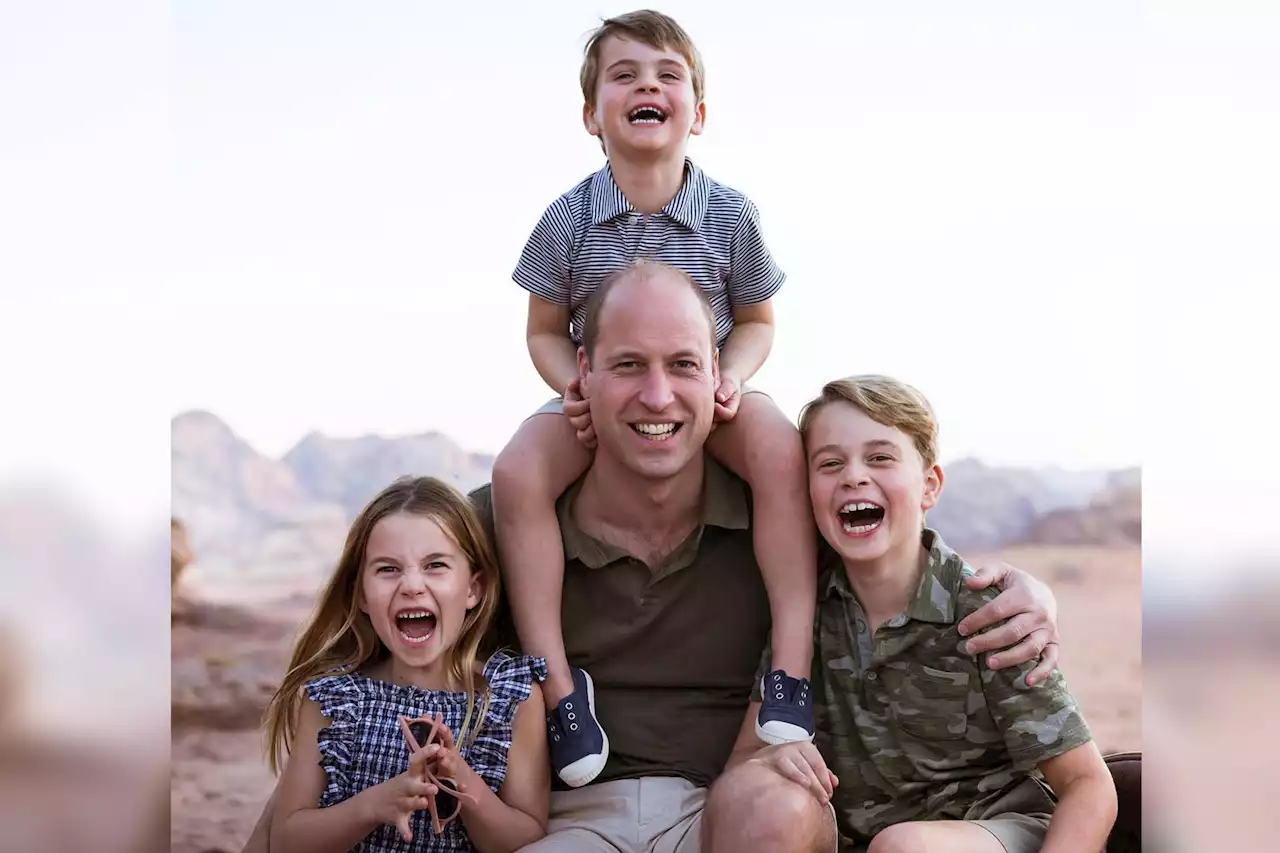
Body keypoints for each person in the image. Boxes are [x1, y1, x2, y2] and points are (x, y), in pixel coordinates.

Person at [240, 261, 1063, 853]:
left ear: (719, 382)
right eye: (628, 365)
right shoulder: (502, 529)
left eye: (682, 366)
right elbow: (366, 664)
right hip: (561, 817)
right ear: (582, 379)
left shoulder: (780, 521)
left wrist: (1031, 592)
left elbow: (895, 549)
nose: (658, 396)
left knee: (779, 809)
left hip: (723, 805)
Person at [491, 8, 819, 788]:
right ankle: (561, 690)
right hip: (604, 397)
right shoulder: (567, 218)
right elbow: (541, 329)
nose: (648, 86)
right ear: (590, 113)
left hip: (707, 392)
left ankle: (792, 670)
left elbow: (757, 319)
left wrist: (731, 374)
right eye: (625, 75)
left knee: (778, 447)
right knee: (515, 472)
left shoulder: (731, 214)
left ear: (697, 114)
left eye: (668, 75)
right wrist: (568, 384)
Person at [711, 376, 1117, 853]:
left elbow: (1089, 784)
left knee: (905, 848)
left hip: (994, 831)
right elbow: (744, 764)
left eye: (880, 457)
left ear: (929, 486)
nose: (854, 476)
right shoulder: (807, 611)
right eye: (830, 463)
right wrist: (774, 761)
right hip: (863, 841)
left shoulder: (989, 613)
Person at [260, 476, 550, 853]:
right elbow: (287, 842)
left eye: (435, 565)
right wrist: (373, 805)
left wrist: (458, 778)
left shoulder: (510, 700)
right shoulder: (335, 700)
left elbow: (526, 840)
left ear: (472, 589)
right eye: (388, 569)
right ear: (361, 595)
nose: (412, 584)